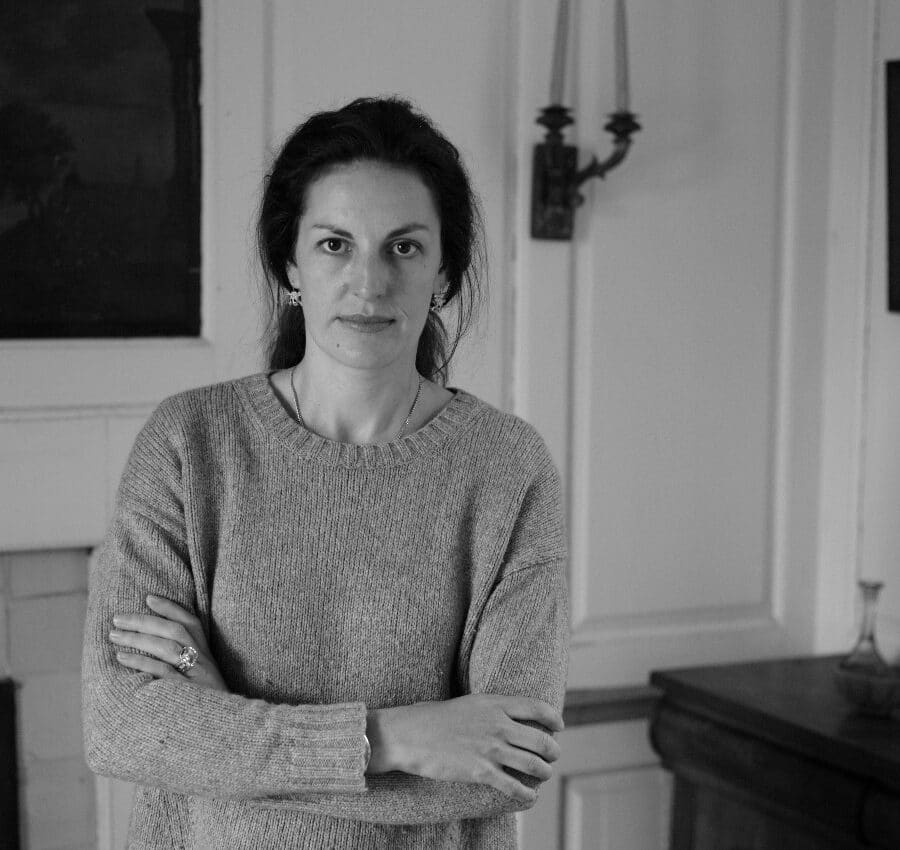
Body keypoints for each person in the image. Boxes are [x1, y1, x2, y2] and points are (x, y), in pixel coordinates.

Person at [82, 97, 569, 849]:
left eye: (403, 248)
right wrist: (395, 739)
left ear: (444, 273)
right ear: (291, 266)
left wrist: (225, 728)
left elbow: (505, 762)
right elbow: (124, 727)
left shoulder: (507, 468)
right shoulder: (188, 443)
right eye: (336, 243)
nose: (369, 283)